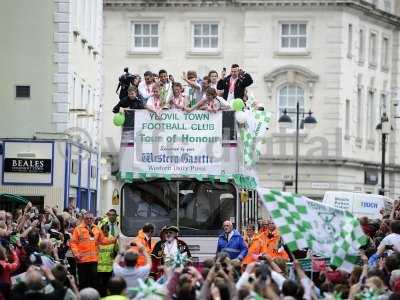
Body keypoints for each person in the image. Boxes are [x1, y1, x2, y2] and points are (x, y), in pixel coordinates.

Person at [70, 212, 116, 290]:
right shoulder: (78, 229)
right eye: (87, 218)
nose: (89, 220)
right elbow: (73, 242)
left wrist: (114, 240)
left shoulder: (97, 228)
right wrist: (76, 253)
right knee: (83, 281)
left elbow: (103, 240)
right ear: (84, 219)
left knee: (94, 281)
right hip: (82, 260)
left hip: (93, 260)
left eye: (91, 218)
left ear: (93, 219)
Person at [97, 224, 115, 297]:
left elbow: (117, 250)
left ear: (108, 230)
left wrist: (114, 253)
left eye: (106, 231)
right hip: (99, 267)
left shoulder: (113, 239)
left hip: (109, 267)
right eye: (103, 231)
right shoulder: (97, 239)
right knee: (100, 285)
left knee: (107, 285)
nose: (105, 233)